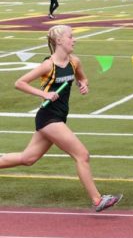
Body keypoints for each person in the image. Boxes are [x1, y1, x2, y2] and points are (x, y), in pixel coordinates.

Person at [0, 25, 122, 212]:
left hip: (59, 118)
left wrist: (83, 84)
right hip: (49, 118)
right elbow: (19, 83)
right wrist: (44, 94)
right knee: (82, 155)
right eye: (71, 37)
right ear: (59, 41)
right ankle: (97, 200)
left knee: (28, 158)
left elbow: (83, 78)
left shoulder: (74, 62)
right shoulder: (48, 65)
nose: (74, 40)